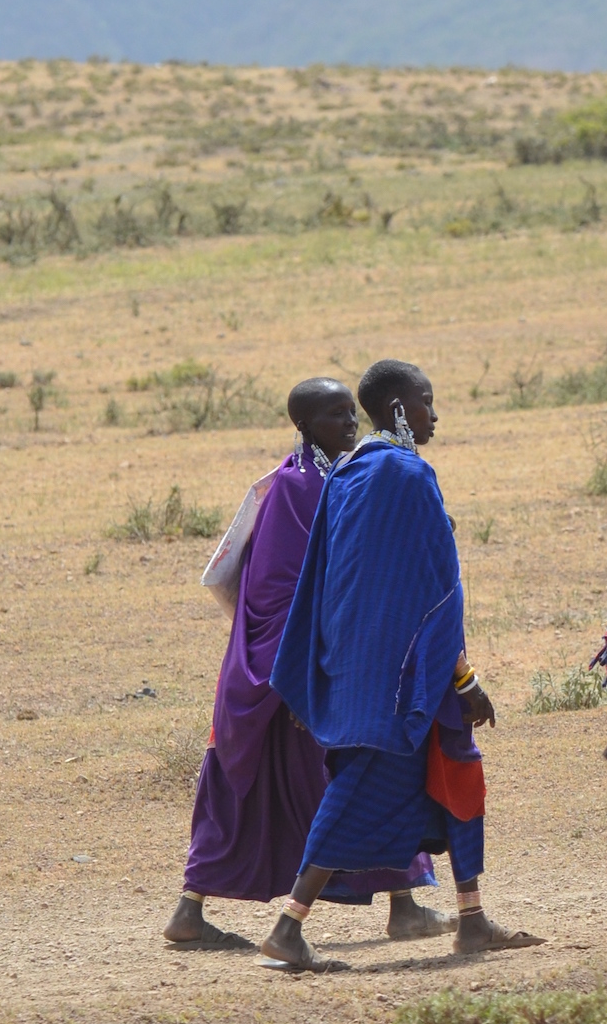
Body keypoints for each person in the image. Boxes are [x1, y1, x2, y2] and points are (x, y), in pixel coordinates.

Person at [260, 357, 542, 973]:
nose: (434, 415)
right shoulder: (409, 475)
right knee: (360, 789)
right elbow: (434, 586)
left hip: (364, 666)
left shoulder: (350, 473)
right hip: (407, 675)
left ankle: (471, 919)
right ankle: (288, 928)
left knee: (456, 770)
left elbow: (332, 580)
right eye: (426, 402)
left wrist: (320, 676)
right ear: (397, 409)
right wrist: (463, 679)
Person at [163, 376, 445, 951]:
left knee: (366, 769)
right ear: (304, 425)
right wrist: (298, 680)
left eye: (351, 414)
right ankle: (192, 911)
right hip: (282, 674)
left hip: (321, 666)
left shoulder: (339, 478)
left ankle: (405, 903)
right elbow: (276, 596)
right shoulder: (297, 489)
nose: (350, 425)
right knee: (311, 780)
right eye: (336, 416)